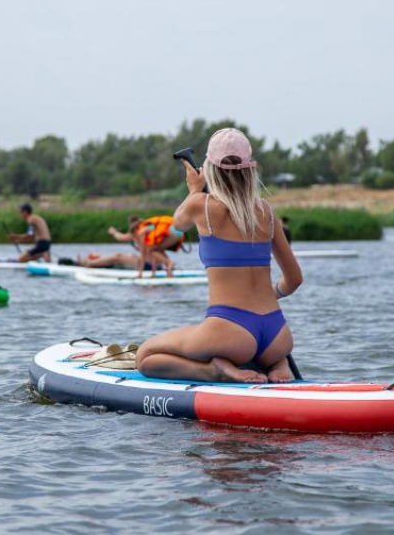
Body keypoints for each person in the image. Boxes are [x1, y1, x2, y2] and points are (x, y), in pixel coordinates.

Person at [136, 128, 303, 384]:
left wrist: (194, 189)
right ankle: (277, 364)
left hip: (230, 330)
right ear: (250, 170)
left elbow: (177, 225)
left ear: (210, 169)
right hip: (277, 333)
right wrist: (271, 293)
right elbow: (294, 280)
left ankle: (214, 371)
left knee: (146, 356)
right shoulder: (267, 212)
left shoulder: (200, 204)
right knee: (264, 350)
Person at [107, 215, 183, 277]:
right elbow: (157, 253)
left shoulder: (140, 232)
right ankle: (169, 268)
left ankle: (169, 263)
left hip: (173, 233)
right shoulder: (148, 227)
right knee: (156, 249)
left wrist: (140, 273)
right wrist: (153, 273)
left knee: (151, 250)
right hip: (178, 232)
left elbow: (143, 253)